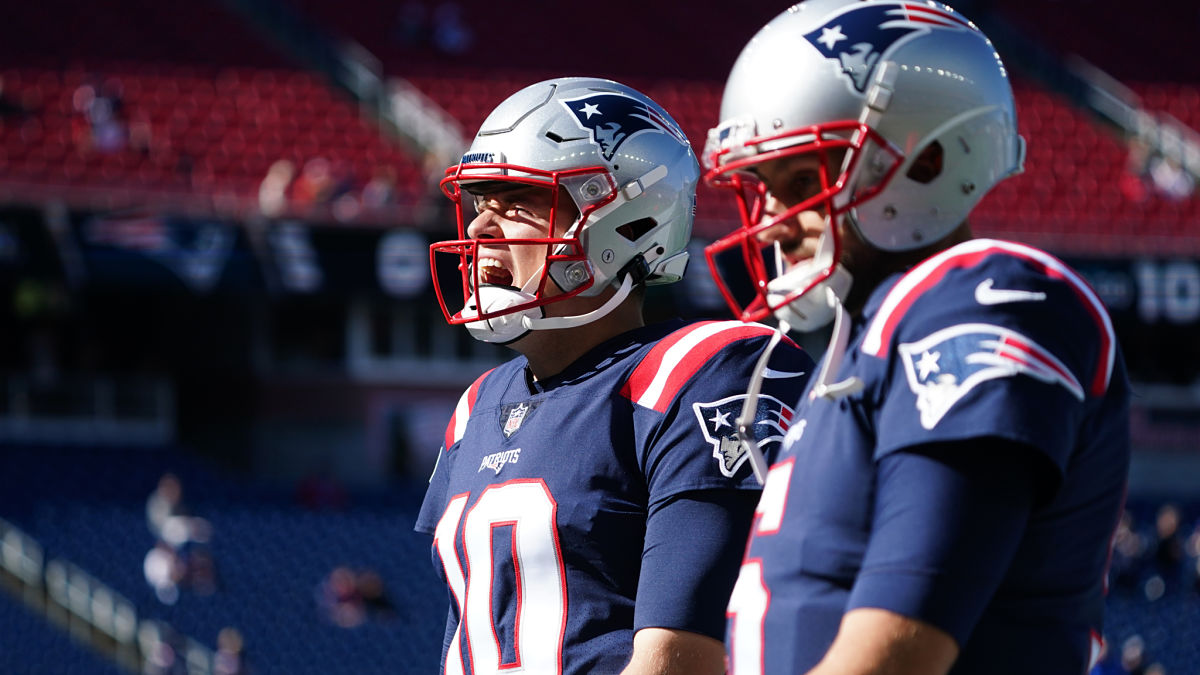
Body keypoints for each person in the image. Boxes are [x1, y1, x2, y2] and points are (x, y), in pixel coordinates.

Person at [700, 2, 1131, 674]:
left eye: (802, 182)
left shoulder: (985, 300)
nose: (776, 223)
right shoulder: (859, 347)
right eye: (763, 190)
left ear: (925, 161)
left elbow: (894, 655)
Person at [415, 77, 814, 674]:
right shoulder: (478, 407)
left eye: (516, 200)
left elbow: (682, 660)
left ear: (625, 220)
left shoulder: (702, 371)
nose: (479, 228)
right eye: (479, 201)